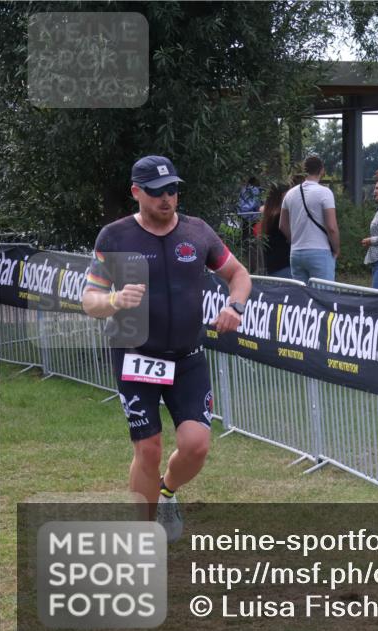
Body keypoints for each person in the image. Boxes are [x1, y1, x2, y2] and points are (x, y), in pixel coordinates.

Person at [82, 155, 252, 542]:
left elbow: (238, 274)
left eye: (172, 190)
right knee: (149, 448)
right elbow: (89, 299)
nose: (167, 199)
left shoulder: (198, 232)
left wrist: (234, 305)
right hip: (135, 355)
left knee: (196, 447)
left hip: (187, 357)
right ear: (136, 192)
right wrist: (113, 301)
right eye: (157, 192)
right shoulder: (115, 237)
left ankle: (166, 492)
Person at [279, 156, 340, 282]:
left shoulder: (290, 194)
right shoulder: (325, 192)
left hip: (296, 253)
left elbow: (282, 225)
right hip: (320, 252)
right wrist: (336, 249)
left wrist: (294, 239)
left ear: (304, 171)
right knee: (323, 297)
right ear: (322, 170)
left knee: (301, 299)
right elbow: (332, 227)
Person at [258, 183, 291, 278]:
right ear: (281, 195)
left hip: (271, 264)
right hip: (284, 262)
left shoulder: (268, 213)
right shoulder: (281, 215)